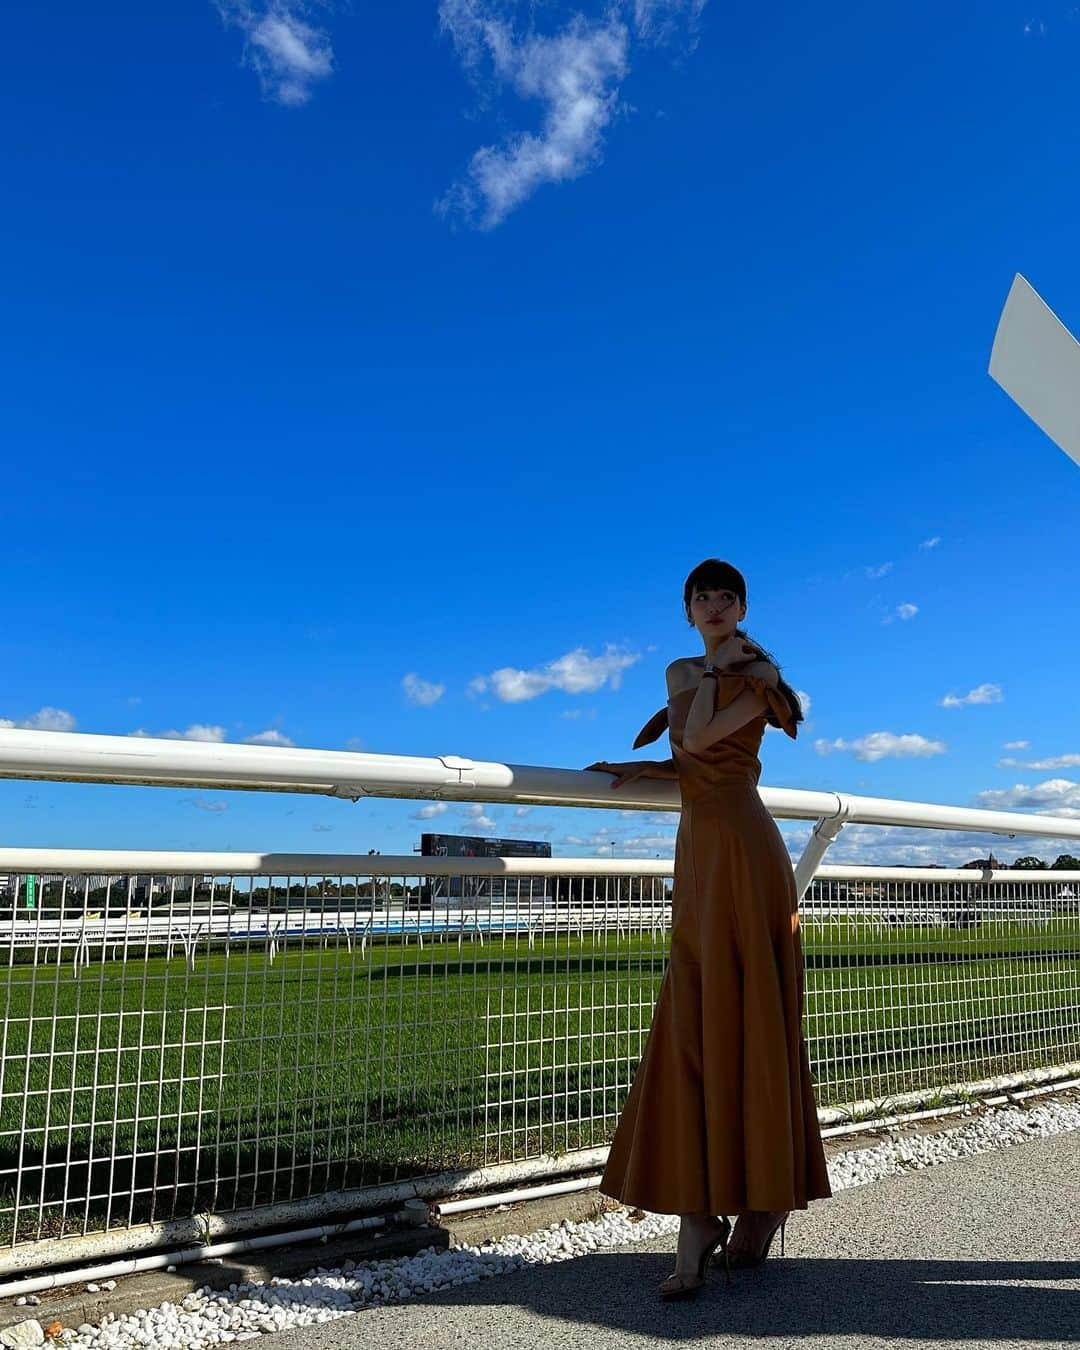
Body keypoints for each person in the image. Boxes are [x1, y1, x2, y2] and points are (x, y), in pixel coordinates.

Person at [584, 558, 833, 1300]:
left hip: (747, 854)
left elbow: (696, 742)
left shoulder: (757, 678)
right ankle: (705, 1219)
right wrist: (641, 773)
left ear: (743, 608)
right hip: (701, 855)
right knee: (692, 1020)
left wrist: (729, 668)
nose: (716, 604)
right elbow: (688, 760)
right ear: (687, 608)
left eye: (728, 597)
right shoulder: (689, 668)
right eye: (703, 596)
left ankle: (745, 1211)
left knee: (750, 1017)